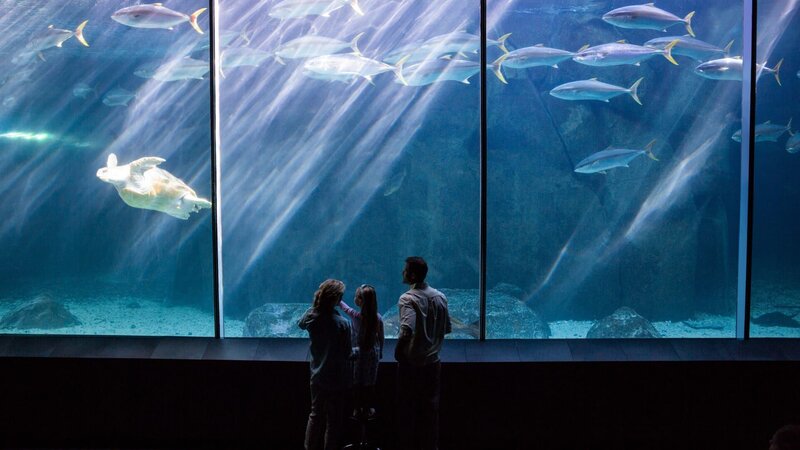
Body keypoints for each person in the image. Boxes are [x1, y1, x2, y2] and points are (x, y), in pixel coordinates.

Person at [394, 256, 452, 450]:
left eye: (405, 270)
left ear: (411, 274)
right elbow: (446, 328)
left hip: (412, 365)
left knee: (407, 410)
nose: (402, 273)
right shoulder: (440, 296)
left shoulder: (407, 298)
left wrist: (398, 352)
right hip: (434, 363)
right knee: (431, 411)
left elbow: (406, 330)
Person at [298, 279, 353, 450]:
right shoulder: (343, 323)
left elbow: (300, 325)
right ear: (337, 300)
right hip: (337, 378)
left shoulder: (311, 316)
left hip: (317, 375)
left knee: (315, 415)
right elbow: (347, 353)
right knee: (334, 419)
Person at [339, 284, 385, 417]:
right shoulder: (378, 318)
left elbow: (345, 308)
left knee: (357, 381)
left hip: (359, 353)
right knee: (369, 381)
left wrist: (338, 298)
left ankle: (357, 408)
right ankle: (368, 407)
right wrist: (380, 351)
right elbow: (381, 337)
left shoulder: (356, 316)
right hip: (373, 353)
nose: (354, 298)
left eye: (356, 296)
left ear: (360, 301)